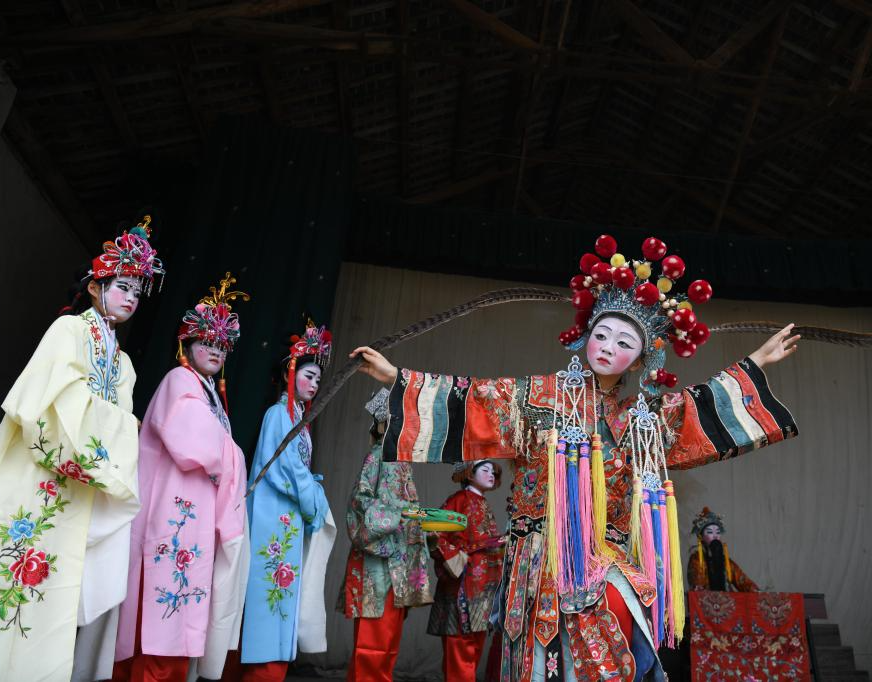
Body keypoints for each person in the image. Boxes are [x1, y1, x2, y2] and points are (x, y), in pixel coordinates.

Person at [352, 233, 799, 680]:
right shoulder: (539, 397)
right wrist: (397, 379)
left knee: (618, 626)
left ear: (640, 360)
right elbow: (475, 400)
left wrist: (755, 364)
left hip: (607, 555)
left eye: (624, 343)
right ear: (586, 337)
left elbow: (695, 409)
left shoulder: (642, 419)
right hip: (541, 556)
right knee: (543, 660)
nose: (607, 346)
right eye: (601, 335)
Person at [0, 217, 164, 681]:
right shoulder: (68, 331)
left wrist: (119, 427)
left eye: (137, 291)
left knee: (52, 595)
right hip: (33, 476)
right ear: (95, 287)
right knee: (6, 582)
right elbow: (50, 403)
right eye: (122, 286)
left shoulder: (124, 363)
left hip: (78, 488)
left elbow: (113, 421)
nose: (131, 297)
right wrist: (125, 427)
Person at [114, 273, 250, 681]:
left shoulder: (209, 394)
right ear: (186, 344)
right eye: (207, 341)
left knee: (181, 614)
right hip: (171, 515)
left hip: (193, 520)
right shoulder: (180, 380)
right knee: (161, 622)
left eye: (222, 345)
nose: (215, 349)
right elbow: (196, 446)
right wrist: (236, 455)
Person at [240, 320, 336, 680]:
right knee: (269, 594)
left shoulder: (298, 420)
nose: (314, 385)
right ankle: (262, 669)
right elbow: (287, 469)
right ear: (288, 373)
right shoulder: (279, 414)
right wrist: (315, 499)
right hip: (273, 514)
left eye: (317, 379)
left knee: (280, 594)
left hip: (287, 517)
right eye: (308, 376)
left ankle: (272, 665)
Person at [339, 388, 433, 681]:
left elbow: (406, 510)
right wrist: (396, 516)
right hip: (377, 562)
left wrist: (420, 525)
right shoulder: (378, 455)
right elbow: (359, 503)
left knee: (388, 643)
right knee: (372, 644)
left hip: (397, 562)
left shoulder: (401, 463)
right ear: (383, 424)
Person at [428, 460, 505, 681]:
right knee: (460, 647)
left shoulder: (483, 502)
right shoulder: (458, 500)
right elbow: (434, 532)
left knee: (474, 646)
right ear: (470, 474)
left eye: (493, 471)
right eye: (485, 470)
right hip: (463, 585)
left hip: (484, 586)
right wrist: (457, 559)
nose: (491, 474)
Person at [686, 507, 758, 592]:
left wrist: (756, 591)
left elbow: (743, 581)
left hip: (726, 598)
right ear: (701, 537)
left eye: (718, 532)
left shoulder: (727, 562)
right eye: (710, 532)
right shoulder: (697, 559)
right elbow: (697, 586)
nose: (715, 536)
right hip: (706, 598)